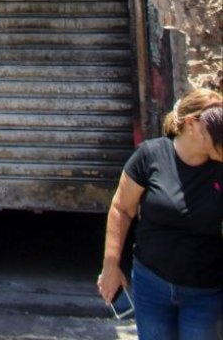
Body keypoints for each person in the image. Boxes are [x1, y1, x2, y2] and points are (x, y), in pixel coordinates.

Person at [97, 87, 223, 338]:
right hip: (151, 285)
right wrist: (110, 266)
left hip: (204, 290)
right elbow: (122, 208)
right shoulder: (150, 155)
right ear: (191, 124)